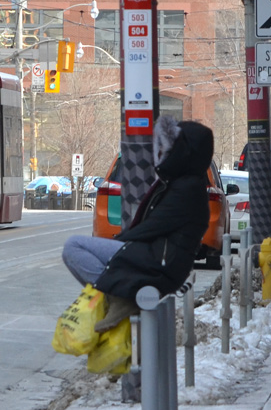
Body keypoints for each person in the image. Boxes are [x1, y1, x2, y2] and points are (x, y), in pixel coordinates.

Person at [62, 115, 213, 332]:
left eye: (167, 148)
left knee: (74, 246)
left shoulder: (186, 188)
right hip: (159, 258)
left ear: (182, 151)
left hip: (159, 262)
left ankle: (119, 297)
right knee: (82, 249)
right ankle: (116, 296)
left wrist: (122, 243)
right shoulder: (181, 183)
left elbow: (154, 226)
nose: (161, 152)